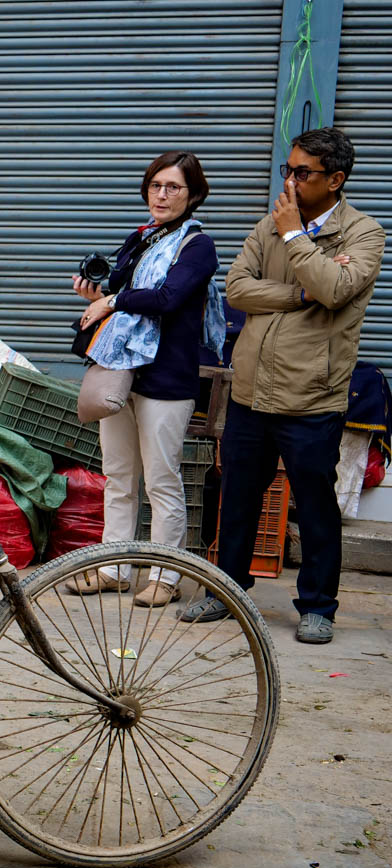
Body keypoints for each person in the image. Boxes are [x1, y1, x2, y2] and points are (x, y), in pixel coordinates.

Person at [182, 127, 386, 644]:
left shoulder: (363, 234)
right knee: (239, 497)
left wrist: (297, 238)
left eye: (303, 172)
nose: (290, 180)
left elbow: (337, 289)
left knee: (316, 507)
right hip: (251, 390)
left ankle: (318, 606)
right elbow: (236, 289)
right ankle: (228, 591)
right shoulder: (268, 225)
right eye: (287, 170)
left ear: (335, 179)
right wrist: (299, 292)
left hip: (311, 397)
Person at [67, 151, 220, 606]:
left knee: (161, 480)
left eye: (174, 187)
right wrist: (97, 291)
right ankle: (114, 568)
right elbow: (123, 287)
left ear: (193, 195)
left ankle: (165, 577)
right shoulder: (142, 237)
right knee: (118, 475)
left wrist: (113, 303)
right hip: (123, 371)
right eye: (156, 185)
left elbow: (169, 298)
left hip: (167, 378)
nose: (162, 194)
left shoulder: (197, 245)